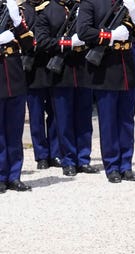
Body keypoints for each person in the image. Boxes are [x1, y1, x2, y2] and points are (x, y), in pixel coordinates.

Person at [76, 0, 135, 183]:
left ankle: (126, 165)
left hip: (126, 69)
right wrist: (111, 35)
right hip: (106, 69)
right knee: (108, 122)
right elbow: (83, 31)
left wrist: (134, 14)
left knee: (127, 120)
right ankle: (112, 165)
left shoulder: (128, 3)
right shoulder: (91, 3)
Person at [35, 0, 99, 177]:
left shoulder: (84, 8)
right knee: (64, 120)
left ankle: (83, 158)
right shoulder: (47, 11)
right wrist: (67, 43)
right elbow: (42, 41)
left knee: (84, 119)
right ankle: (69, 160)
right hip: (61, 73)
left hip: (83, 71)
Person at [0, 0, 35, 193]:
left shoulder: (14, 11)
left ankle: (14, 175)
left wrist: (17, 22)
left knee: (14, 131)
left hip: (14, 78)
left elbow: (29, 43)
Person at [23, 0, 61, 171]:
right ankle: (41, 155)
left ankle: (55, 152)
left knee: (54, 113)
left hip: (52, 66)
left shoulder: (55, 7)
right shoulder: (23, 9)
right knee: (36, 115)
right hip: (32, 69)